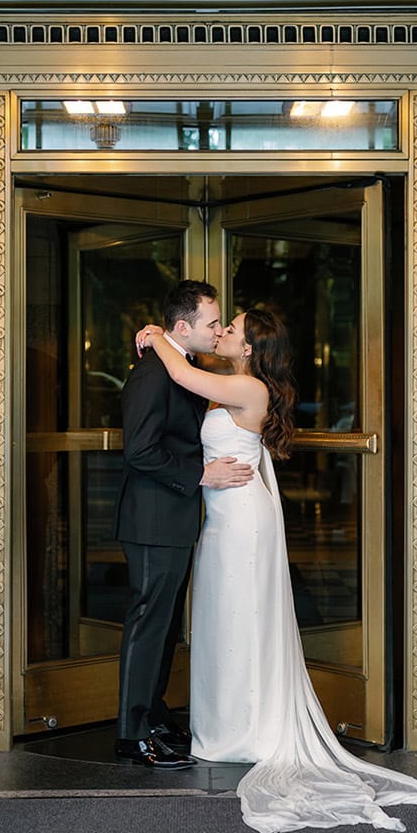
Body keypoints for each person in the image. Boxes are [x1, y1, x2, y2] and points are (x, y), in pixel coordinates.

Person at [133, 307, 417, 833]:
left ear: (251, 348)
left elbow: (183, 374)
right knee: (223, 622)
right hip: (222, 520)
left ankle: (247, 733)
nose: (224, 333)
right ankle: (223, 728)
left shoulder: (251, 389)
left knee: (242, 621)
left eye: (232, 329)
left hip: (242, 523)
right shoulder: (233, 384)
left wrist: (155, 335)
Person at [113, 280, 254, 770]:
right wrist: (201, 474)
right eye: (212, 323)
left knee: (166, 625)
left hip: (173, 520)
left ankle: (152, 716)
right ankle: (133, 735)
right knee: (149, 623)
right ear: (182, 327)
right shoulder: (154, 374)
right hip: (152, 520)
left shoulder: (181, 364)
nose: (217, 331)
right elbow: (141, 451)